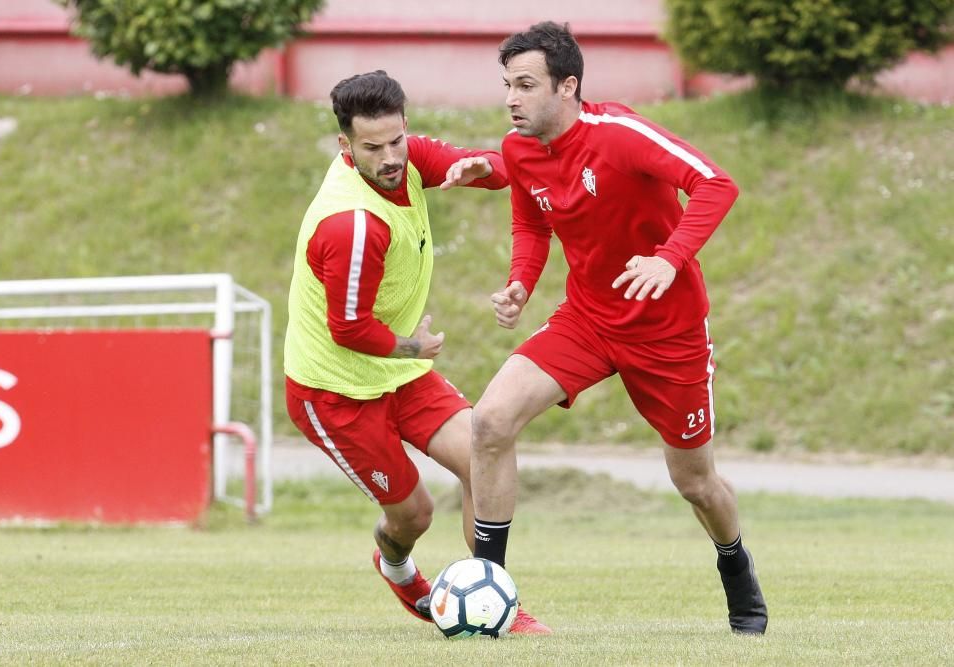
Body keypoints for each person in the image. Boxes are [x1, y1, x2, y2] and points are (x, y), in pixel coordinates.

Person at [468, 22, 768, 635]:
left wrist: (668, 257)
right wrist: (521, 282)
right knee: (491, 421)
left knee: (695, 481)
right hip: (587, 320)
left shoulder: (621, 135)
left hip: (668, 333)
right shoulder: (520, 150)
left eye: (525, 85)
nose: (511, 99)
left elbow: (716, 184)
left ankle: (736, 569)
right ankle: (487, 589)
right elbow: (533, 225)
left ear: (568, 86)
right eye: (507, 85)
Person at [283, 70, 547, 633]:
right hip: (333, 390)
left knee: (483, 455)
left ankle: (495, 603)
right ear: (345, 146)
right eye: (372, 147)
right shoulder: (351, 225)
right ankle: (396, 567)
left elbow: (504, 169)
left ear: (405, 127)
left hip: (397, 373)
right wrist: (414, 346)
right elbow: (348, 329)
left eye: (397, 140)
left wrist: (482, 167)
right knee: (414, 515)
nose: (390, 157)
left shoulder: (408, 157)